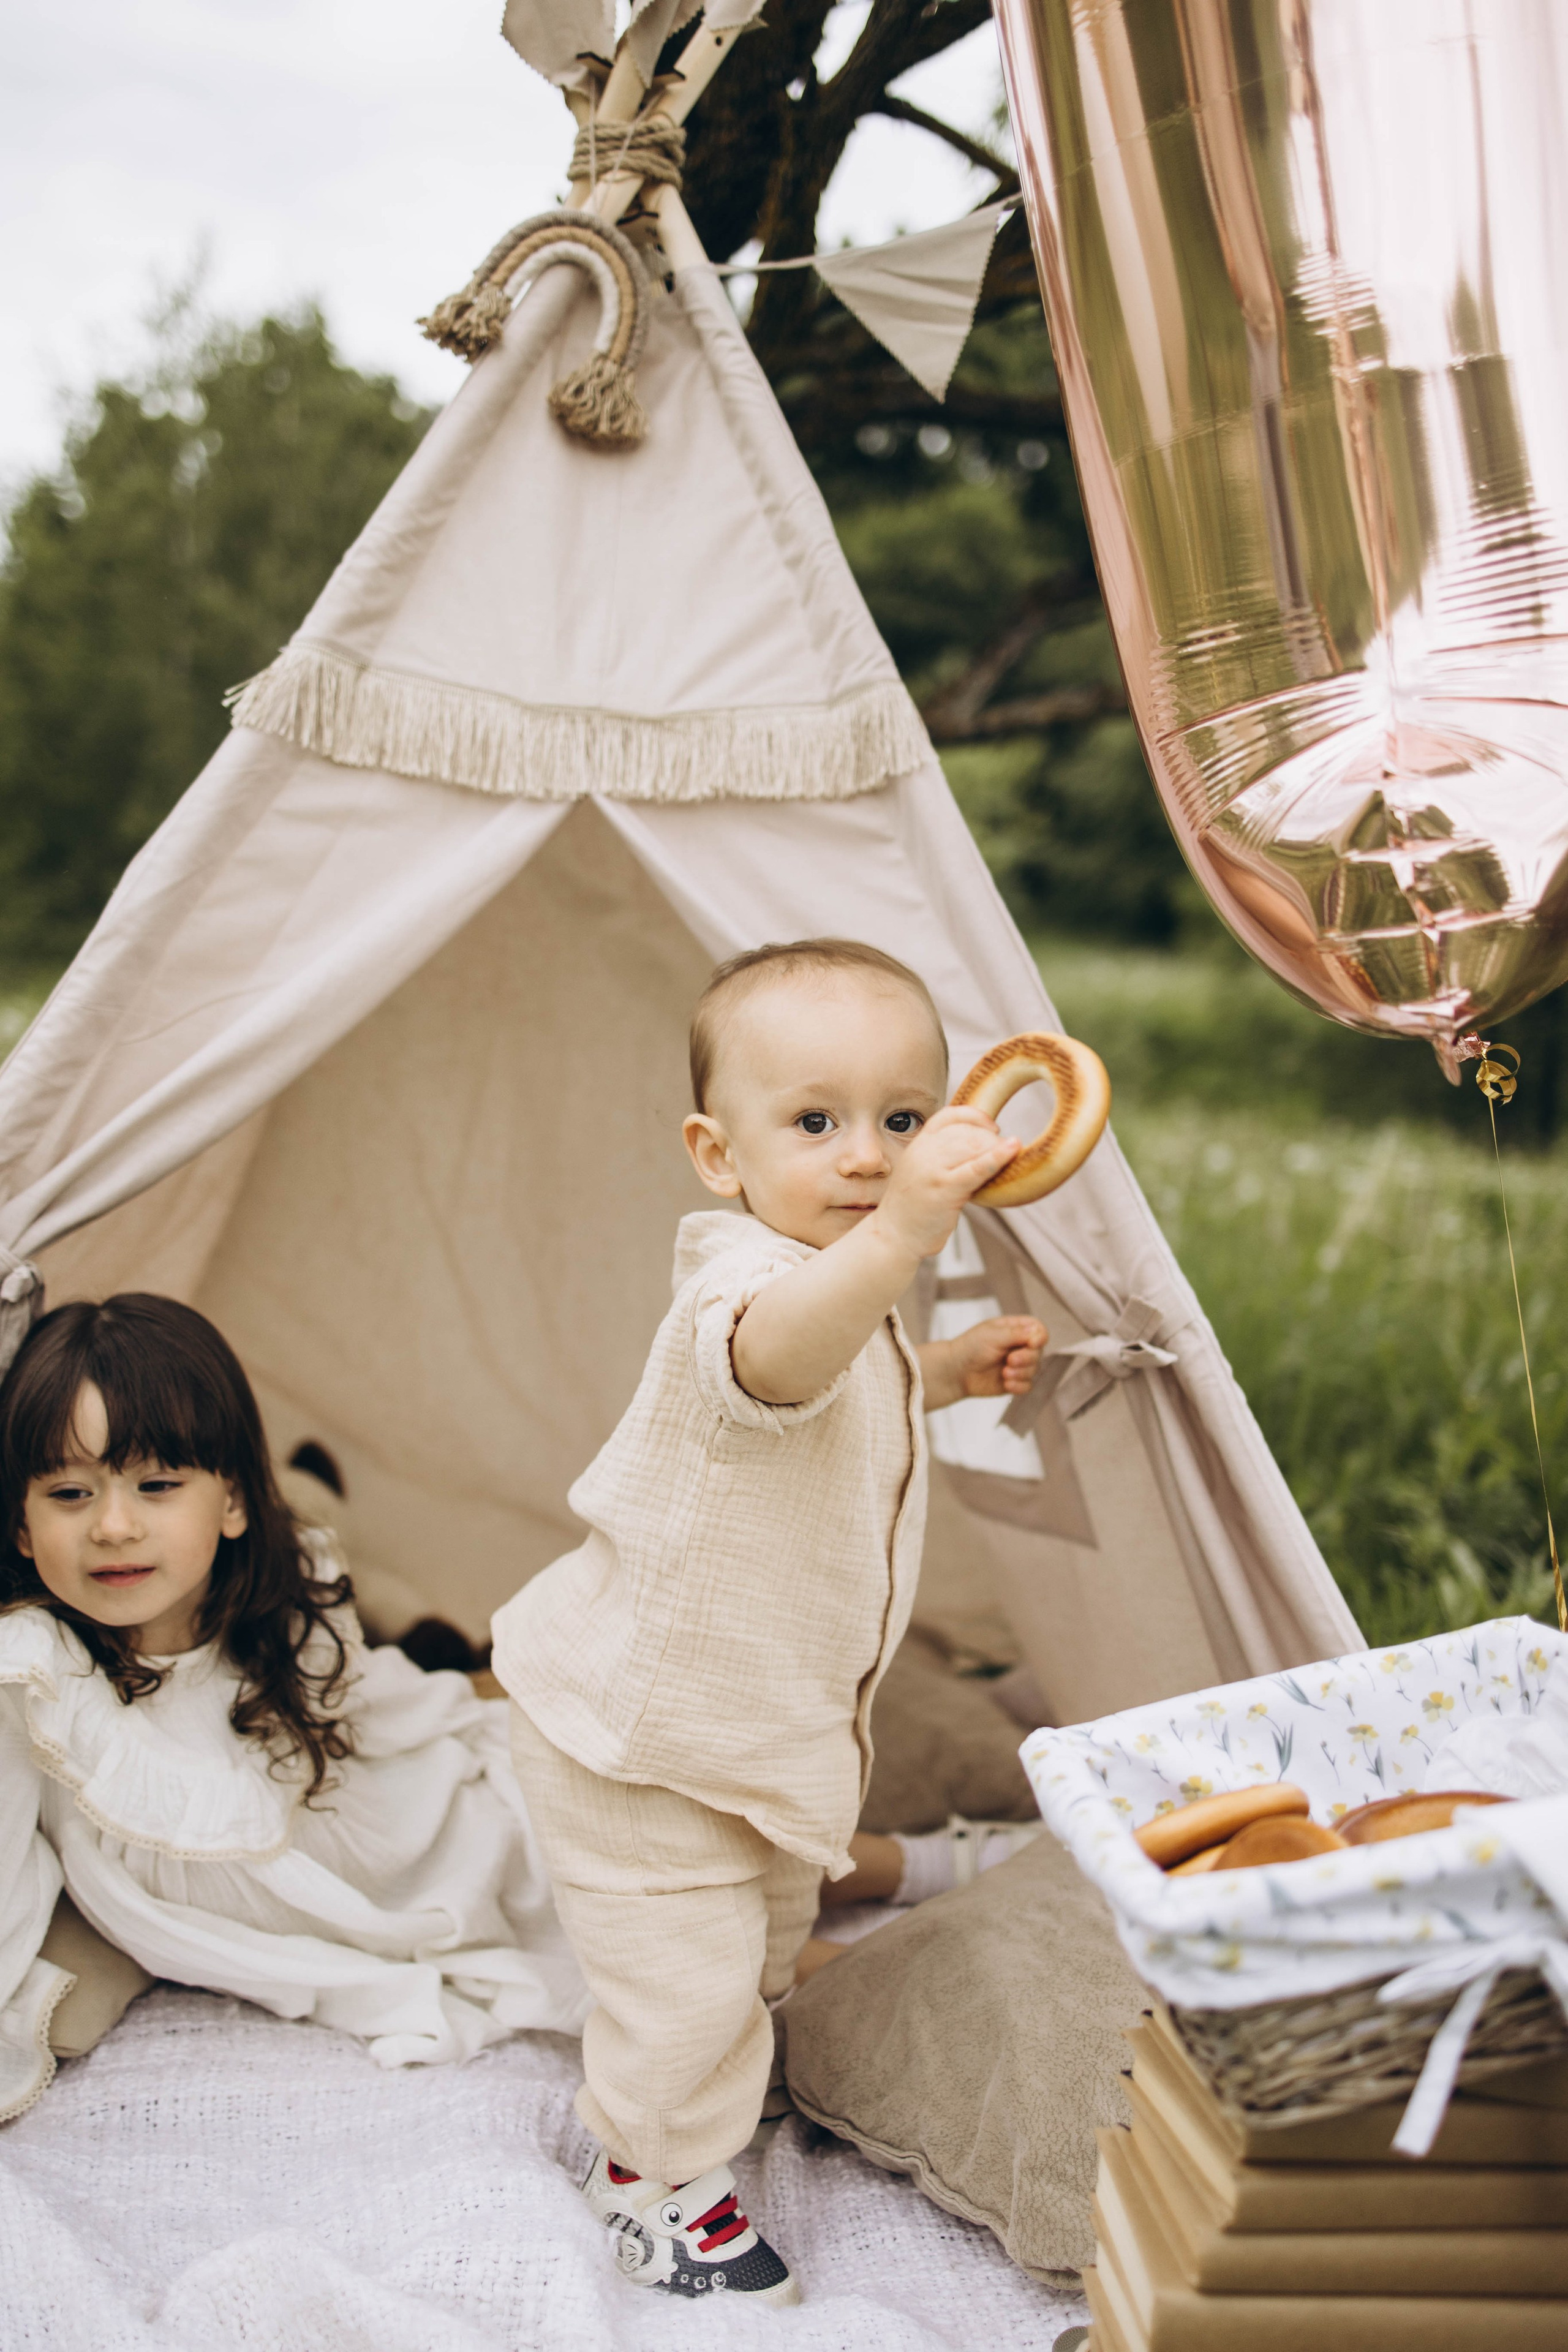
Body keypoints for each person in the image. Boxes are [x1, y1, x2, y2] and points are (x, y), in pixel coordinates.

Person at [492, 938, 1047, 2308]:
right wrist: (908, 1230)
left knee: (757, 1936)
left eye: (902, 1120)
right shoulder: (735, 1284)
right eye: (814, 1123)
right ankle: (648, 2176)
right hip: (637, 1743)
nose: (866, 1156)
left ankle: (740, 2039)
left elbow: (850, 1375)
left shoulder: (841, 1287)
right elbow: (781, 1359)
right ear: (718, 1155)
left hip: (751, 1731)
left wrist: (942, 1368)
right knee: (681, 1988)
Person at [0, 1294, 587, 2128]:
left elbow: (386, 1715)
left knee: (605, 1844)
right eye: (69, 1493)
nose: (115, 1526)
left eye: (157, 1485)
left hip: (436, 1828)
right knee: (647, 1933)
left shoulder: (271, 1615)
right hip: (380, 1908)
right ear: (22, 1527)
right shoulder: (35, 1678)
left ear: (232, 1503)